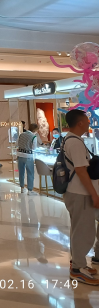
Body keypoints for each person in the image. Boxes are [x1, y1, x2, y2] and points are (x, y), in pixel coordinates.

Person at [61, 109, 99, 284]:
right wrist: (94, 194)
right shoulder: (75, 143)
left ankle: (77, 263)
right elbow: (81, 171)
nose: (89, 121)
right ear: (80, 122)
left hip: (75, 192)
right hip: (79, 193)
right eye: (87, 119)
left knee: (78, 230)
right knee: (83, 231)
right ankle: (77, 268)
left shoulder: (71, 139)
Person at [17, 123, 39, 195]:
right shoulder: (33, 137)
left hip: (20, 155)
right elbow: (34, 148)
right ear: (35, 130)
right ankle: (30, 190)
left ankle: (22, 188)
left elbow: (17, 144)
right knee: (30, 173)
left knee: (21, 172)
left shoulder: (21, 134)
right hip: (28, 156)